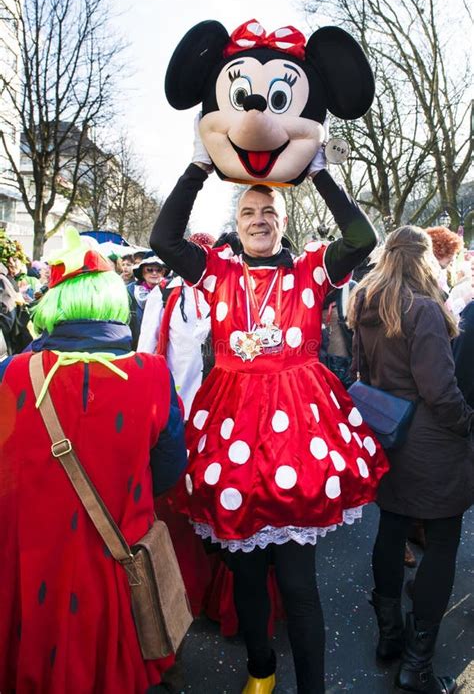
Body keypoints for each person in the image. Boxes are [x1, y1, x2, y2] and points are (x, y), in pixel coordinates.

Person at [149, 132, 389, 693]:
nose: (259, 219)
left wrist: (320, 173)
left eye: (270, 211)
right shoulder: (216, 271)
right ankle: (261, 669)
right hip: (232, 436)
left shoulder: (309, 270)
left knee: (300, 583)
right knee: (248, 573)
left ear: (284, 218)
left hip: (296, 441)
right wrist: (197, 168)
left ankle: (311, 686)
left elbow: (362, 236)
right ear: (238, 218)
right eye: (249, 211)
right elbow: (164, 237)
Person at [0, 227, 187, 694]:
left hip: (28, 566)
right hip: (116, 563)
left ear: (54, 302)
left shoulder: (12, 374)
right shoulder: (152, 377)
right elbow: (169, 469)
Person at [347, 226, 473, 694]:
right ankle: (416, 666)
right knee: (441, 542)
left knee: (391, 529)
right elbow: (440, 391)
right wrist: (465, 422)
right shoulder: (422, 310)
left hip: (385, 432)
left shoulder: (365, 304)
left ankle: (390, 637)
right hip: (432, 442)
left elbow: (358, 371)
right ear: (423, 260)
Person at [138, 233, 214, 420]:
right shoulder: (165, 291)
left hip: (215, 396)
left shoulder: (223, 288)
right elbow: (147, 343)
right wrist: (141, 387)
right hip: (177, 392)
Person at [127, 252, 169, 349]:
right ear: (142, 272)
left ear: (163, 272)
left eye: (158, 270)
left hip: (161, 346)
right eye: (150, 270)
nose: (154, 273)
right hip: (135, 345)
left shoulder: (169, 291)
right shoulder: (130, 291)